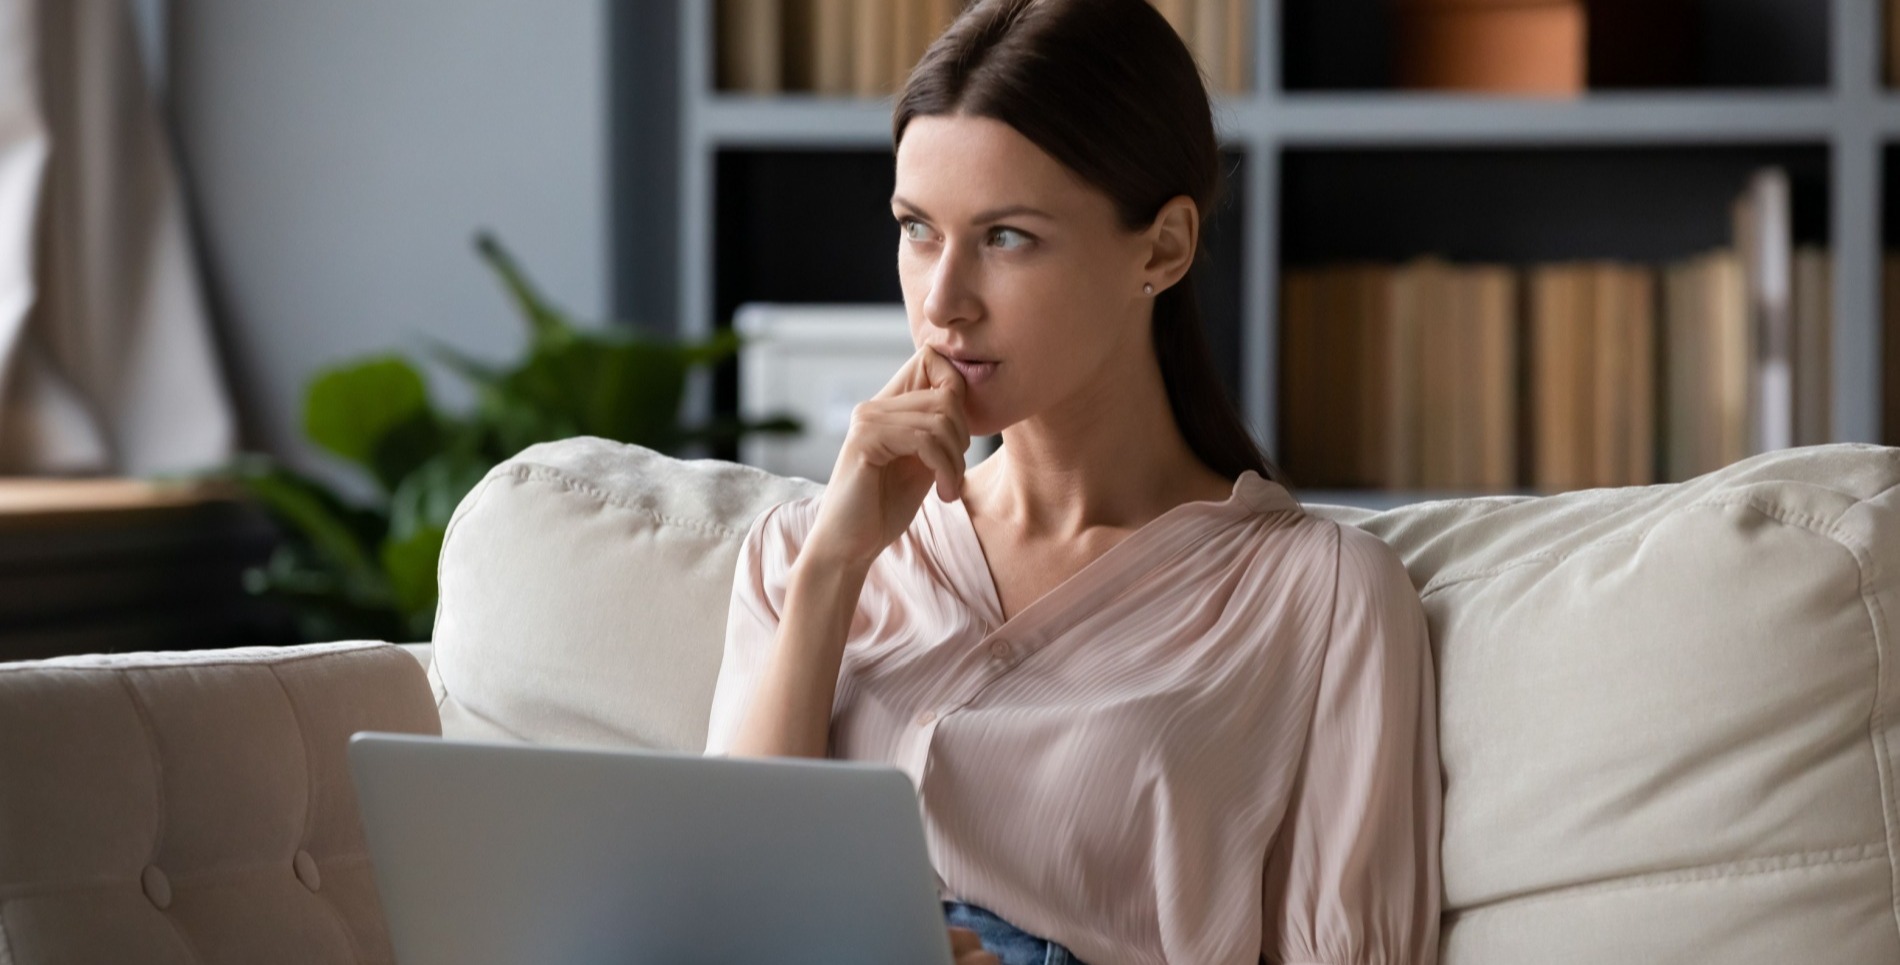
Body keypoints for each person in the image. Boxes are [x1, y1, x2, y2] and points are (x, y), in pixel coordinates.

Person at [701, 1, 1443, 962]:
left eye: (1006, 236)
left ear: (1162, 248)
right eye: (918, 228)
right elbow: (720, 915)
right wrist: (834, 572)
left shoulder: (1318, 596)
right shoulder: (802, 552)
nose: (942, 301)